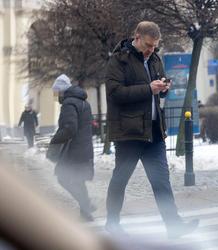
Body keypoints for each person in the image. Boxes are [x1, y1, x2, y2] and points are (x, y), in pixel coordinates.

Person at [105, 21, 199, 238]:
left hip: (154, 132)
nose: (151, 50)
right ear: (136, 37)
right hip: (129, 133)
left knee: (161, 181)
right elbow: (115, 93)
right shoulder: (119, 60)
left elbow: (159, 92)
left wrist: (164, 88)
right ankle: (112, 223)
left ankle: (174, 226)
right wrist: (148, 89)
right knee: (120, 179)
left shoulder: (155, 59)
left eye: (155, 46)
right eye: (148, 45)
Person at [49, 74, 96, 221]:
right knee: (77, 180)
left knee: (63, 178)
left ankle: (86, 205)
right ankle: (86, 212)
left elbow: (69, 128)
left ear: (62, 91)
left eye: (56, 93)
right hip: (83, 148)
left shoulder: (69, 104)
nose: (55, 96)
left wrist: (54, 141)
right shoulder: (83, 102)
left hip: (74, 150)